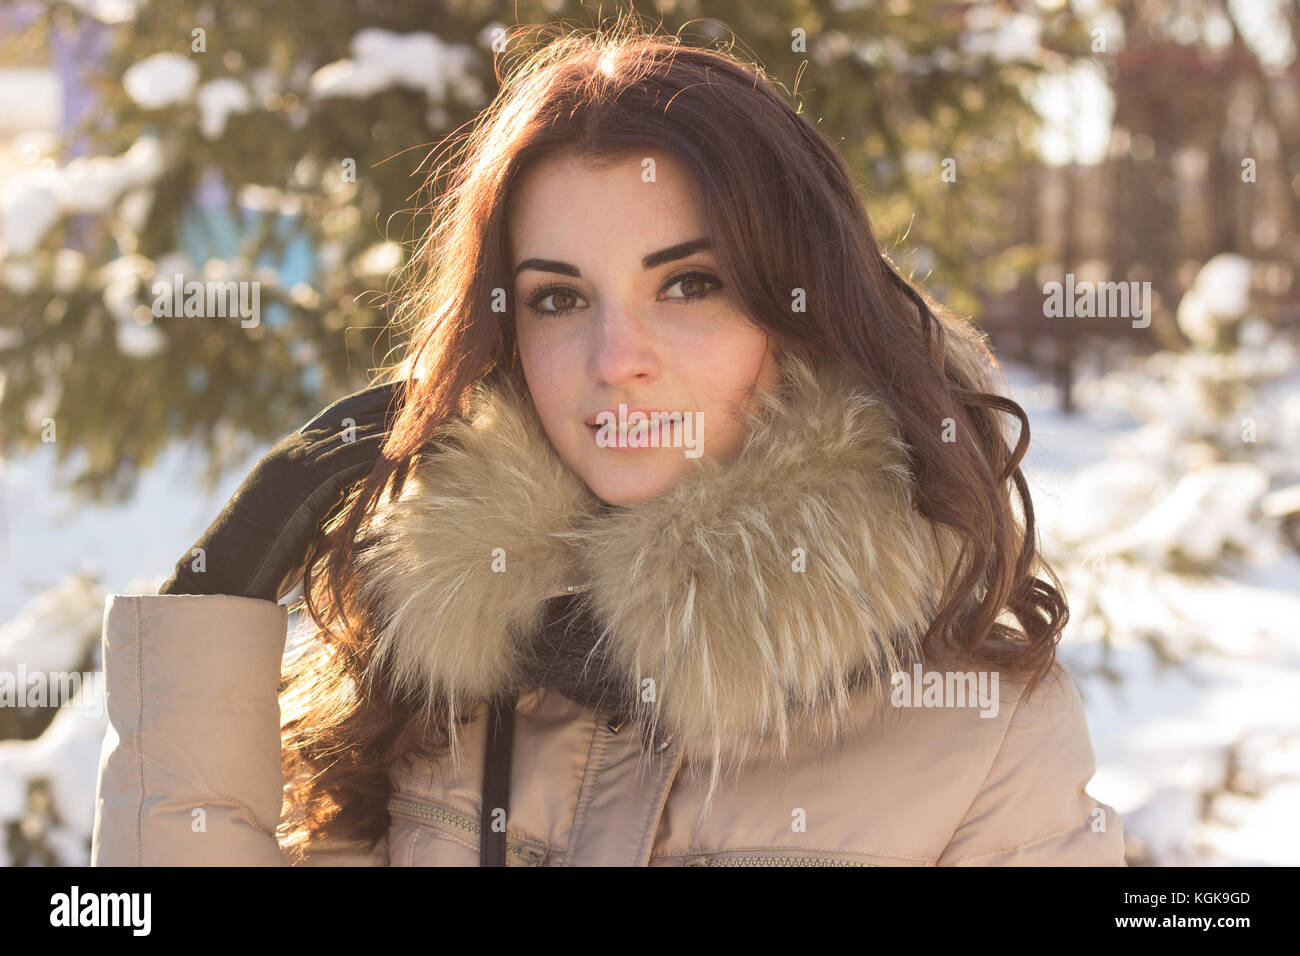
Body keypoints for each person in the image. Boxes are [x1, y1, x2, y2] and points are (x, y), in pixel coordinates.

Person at [91, 21, 1125, 867]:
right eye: (557, 297)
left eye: (687, 284)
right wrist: (212, 604)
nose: (612, 357)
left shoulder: (981, 732)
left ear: (802, 312)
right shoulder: (435, 676)